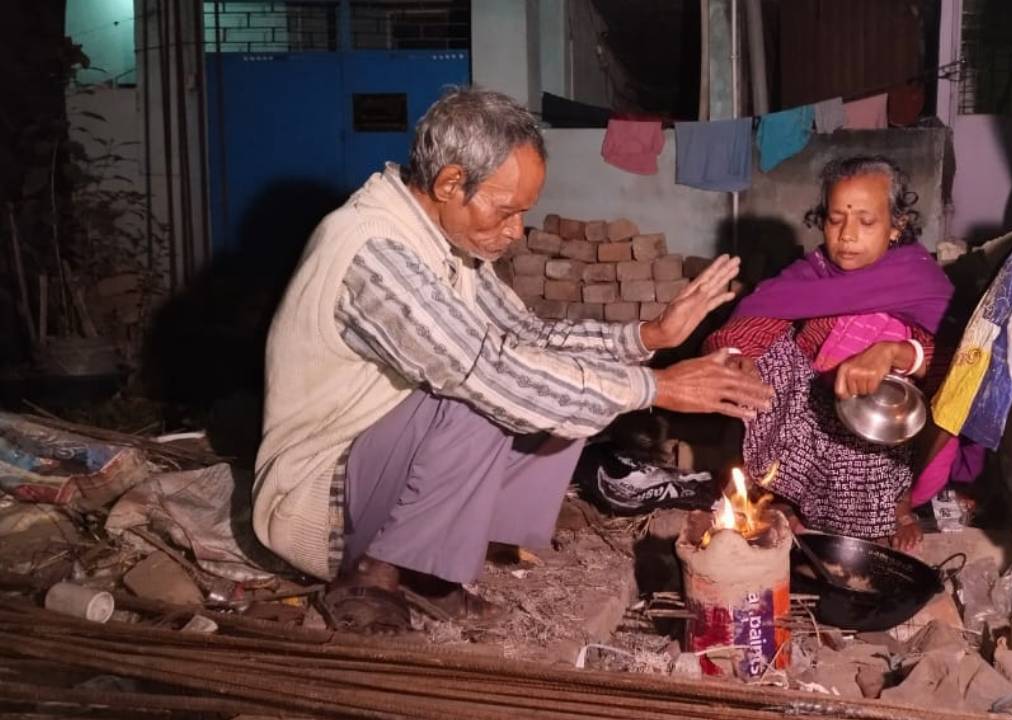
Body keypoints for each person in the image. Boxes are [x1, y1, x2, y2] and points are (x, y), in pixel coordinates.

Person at [252, 88, 773, 632]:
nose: (517, 230)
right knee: (498, 392)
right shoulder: (374, 252)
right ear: (450, 183)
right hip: (318, 500)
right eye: (506, 211)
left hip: (372, 471)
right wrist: (656, 388)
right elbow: (490, 370)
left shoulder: (440, 241)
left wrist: (649, 336)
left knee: (553, 387)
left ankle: (428, 568)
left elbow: (527, 335)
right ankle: (372, 572)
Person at [703, 155, 954, 550]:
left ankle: (897, 504)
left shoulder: (919, 279)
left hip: (885, 429)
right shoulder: (815, 271)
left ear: (896, 226)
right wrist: (738, 359)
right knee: (766, 353)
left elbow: (960, 365)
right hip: (815, 412)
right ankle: (787, 494)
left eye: (866, 222)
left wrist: (896, 353)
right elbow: (753, 323)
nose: (848, 235)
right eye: (836, 220)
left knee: (935, 396)